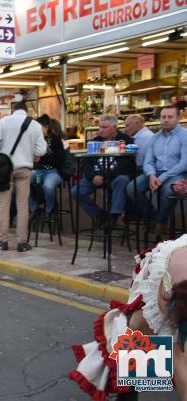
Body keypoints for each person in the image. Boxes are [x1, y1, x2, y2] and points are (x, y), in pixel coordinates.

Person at [69, 235, 187, 401]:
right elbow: (181, 363)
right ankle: (128, 390)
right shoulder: (165, 300)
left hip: (177, 278)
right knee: (141, 336)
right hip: (160, 284)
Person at [0, 101, 47, 252]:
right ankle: (22, 243)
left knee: (4, 205)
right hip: (24, 169)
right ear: (26, 110)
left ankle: (3, 241)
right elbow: (41, 150)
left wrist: (4, 149)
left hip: (5, 170)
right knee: (23, 206)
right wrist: (30, 152)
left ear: (12, 109)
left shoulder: (4, 121)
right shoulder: (35, 125)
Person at [126, 106, 187, 235]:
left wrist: (162, 178)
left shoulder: (184, 135)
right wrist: (152, 175)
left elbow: (184, 164)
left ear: (178, 118)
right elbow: (148, 161)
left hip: (177, 172)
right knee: (132, 188)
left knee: (168, 189)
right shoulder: (155, 137)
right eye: (163, 117)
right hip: (156, 172)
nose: (166, 120)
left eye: (170, 117)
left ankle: (161, 222)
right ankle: (153, 218)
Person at [71, 114, 134, 228]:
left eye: (105, 127)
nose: (101, 130)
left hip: (114, 176)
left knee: (122, 180)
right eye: (100, 127)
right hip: (96, 176)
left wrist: (107, 176)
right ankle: (99, 214)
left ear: (114, 127)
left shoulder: (125, 139)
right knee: (76, 191)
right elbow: (86, 162)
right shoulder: (95, 141)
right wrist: (93, 176)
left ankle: (114, 215)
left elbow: (128, 164)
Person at [29, 115, 65, 217]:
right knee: (22, 183)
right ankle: (33, 208)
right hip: (38, 171)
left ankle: (49, 210)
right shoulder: (36, 140)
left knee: (48, 187)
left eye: (38, 127)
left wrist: (41, 159)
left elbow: (59, 161)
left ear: (47, 127)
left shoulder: (55, 140)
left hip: (53, 171)